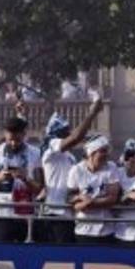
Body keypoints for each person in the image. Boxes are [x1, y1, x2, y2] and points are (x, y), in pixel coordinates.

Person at [42, 98, 102, 243]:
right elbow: (76, 137)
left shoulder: (70, 157)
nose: (69, 134)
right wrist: (91, 113)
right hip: (55, 213)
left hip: (70, 213)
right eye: (65, 132)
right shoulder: (50, 149)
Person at [0, 115, 44, 242]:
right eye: (10, 140)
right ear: (5, 134)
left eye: (18, 140)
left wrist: (25, 178)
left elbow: (39, 189)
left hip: (27, 213)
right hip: (3, 212)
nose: (14, 143)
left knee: (27, 251)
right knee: (2, 251)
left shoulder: (35, 153)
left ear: (24, 134)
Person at [66, 135, 120, 241]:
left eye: (107, 151)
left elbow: (112, 198)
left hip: (106, 230)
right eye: (102, 151)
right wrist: (80, 198)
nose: (106, 155)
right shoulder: (76, 170)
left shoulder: (111, 167)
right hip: (83, 230)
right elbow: (70, 198)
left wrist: (88, 202)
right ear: (91, 153)